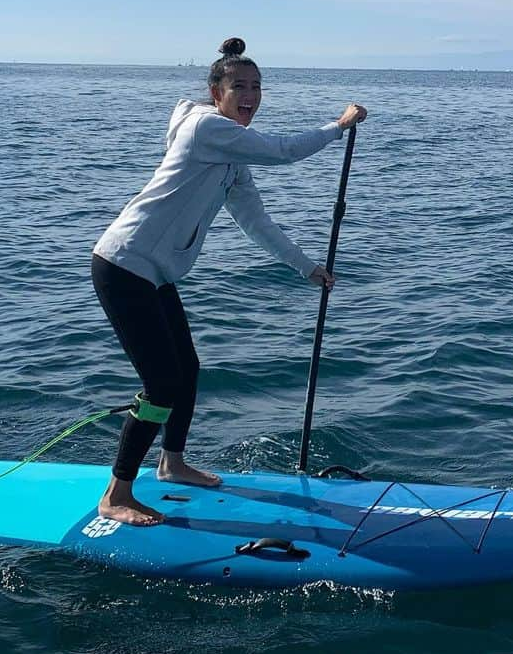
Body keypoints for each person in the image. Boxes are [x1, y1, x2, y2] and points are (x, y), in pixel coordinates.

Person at [91, 37, 367, 526]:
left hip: (152, 274)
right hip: (124, 265)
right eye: (239, 86)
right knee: (162, 384)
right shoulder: (205, 129)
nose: (251, 95)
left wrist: (306, 267)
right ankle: (116, 494)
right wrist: (338, 126)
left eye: (257, 87)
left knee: (187, 371)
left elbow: (256, 222)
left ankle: (171, 464)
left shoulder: (231, 153)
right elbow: (284, 151)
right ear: (215, 90)